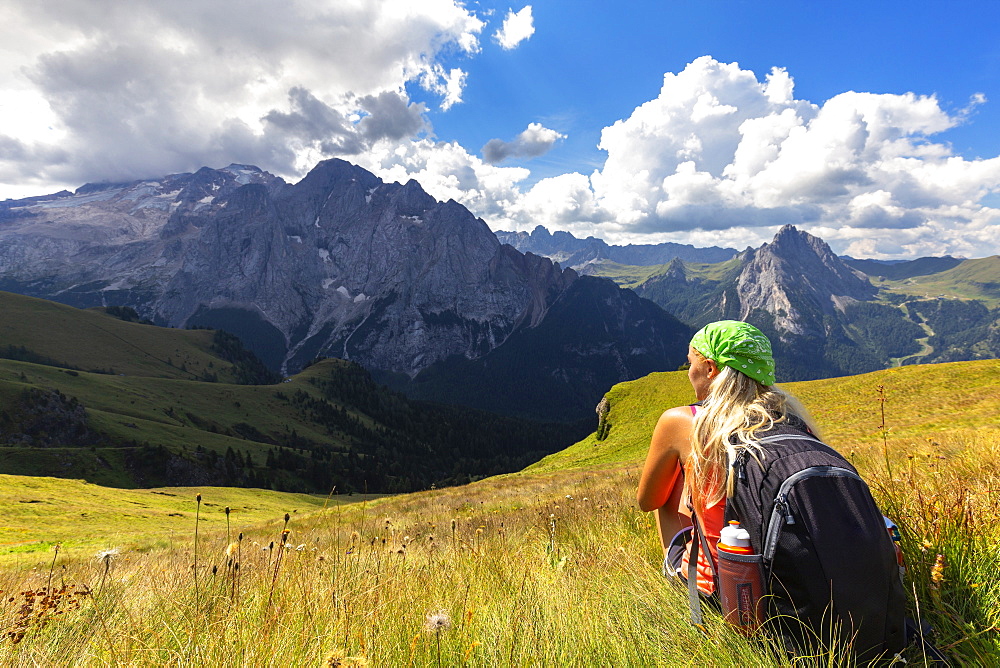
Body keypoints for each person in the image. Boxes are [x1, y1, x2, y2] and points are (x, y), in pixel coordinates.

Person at [637, 320, 817, 596]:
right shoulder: (794, 421)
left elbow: (647, 501)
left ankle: (682, 579)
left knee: (672, 485)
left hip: (730, 592)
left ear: (710, 368)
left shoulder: (682, 421)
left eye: (690, 364)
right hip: (800, 585)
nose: (689, 372)